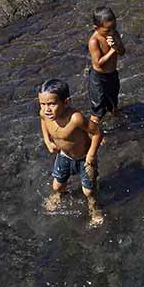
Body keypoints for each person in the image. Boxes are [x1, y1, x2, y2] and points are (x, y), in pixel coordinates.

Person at [38, 78, 104, 227]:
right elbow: (43, 121)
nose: (47, 109)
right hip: (64, 155)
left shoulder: (75, 118)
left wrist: (91, 155)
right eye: (42, 104)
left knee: (88, 191)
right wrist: (47, 141)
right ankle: (59, 195)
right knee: (57, 186)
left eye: (52, 104)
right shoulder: (45, 113)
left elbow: (97, 133)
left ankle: (94, 208)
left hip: (84, 157)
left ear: (66, 102)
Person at [88, 6, 125, 123]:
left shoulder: (114, 34)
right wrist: (113, 49)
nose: (111, 32)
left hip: (112, 75)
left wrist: (117, 45)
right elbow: (99, 63)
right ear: (96, 28)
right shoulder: (94, 41)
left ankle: (119, 121)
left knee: (113, 103)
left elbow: (122, 52)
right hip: (99, 78)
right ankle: (92, 131)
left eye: (114, 27)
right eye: (107, 30)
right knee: (97, 111)